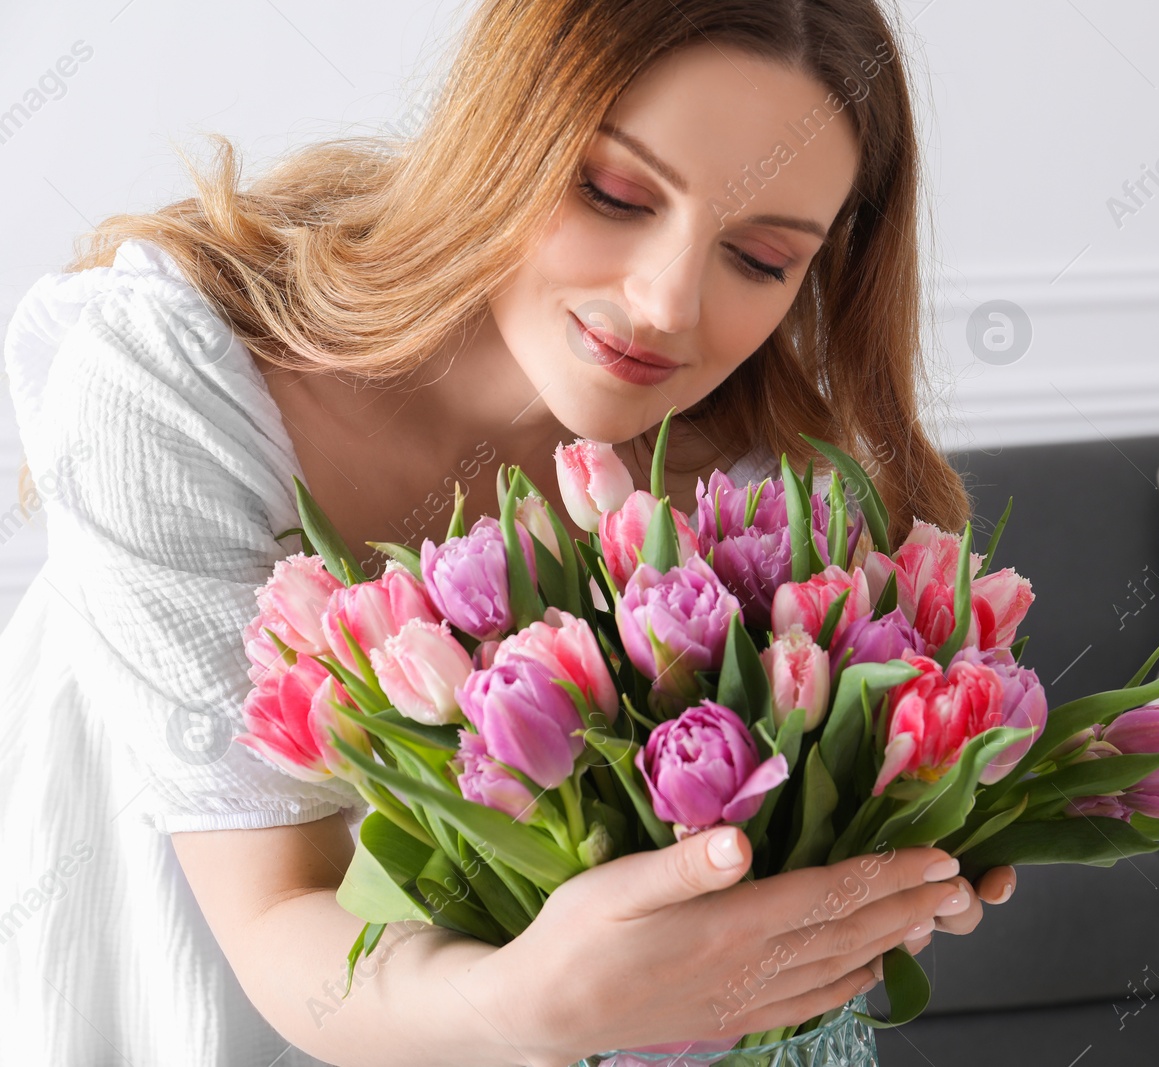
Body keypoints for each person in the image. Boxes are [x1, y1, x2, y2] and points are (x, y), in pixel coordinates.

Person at [0, 1, 1018, 1064]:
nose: (664, 302)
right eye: (616, 194)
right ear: (506, 132)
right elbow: (278, 918)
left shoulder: (760, 504)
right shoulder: (171, 374)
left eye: (760, 259)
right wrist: (525, 1009)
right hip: (158, 973)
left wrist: (846, 870)